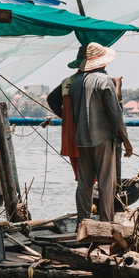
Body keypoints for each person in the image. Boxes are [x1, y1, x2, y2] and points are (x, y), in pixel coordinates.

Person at [69, 42, 133, 223]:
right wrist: (126, 139)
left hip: (82, 139)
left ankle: (83, 221)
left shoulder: (76, 83)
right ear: (103, 62)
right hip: (103, 138)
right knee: (106, 182)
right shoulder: (104, 81)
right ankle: (106, 222)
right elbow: (115, 113)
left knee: (85, 183)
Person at [46, 45, 86, 179]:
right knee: (93, 178)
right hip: (89, 139)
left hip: (71, 136)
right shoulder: (93, 81)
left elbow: (52, 100)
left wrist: (67, 118)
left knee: (81, 178)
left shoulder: (67, 81)